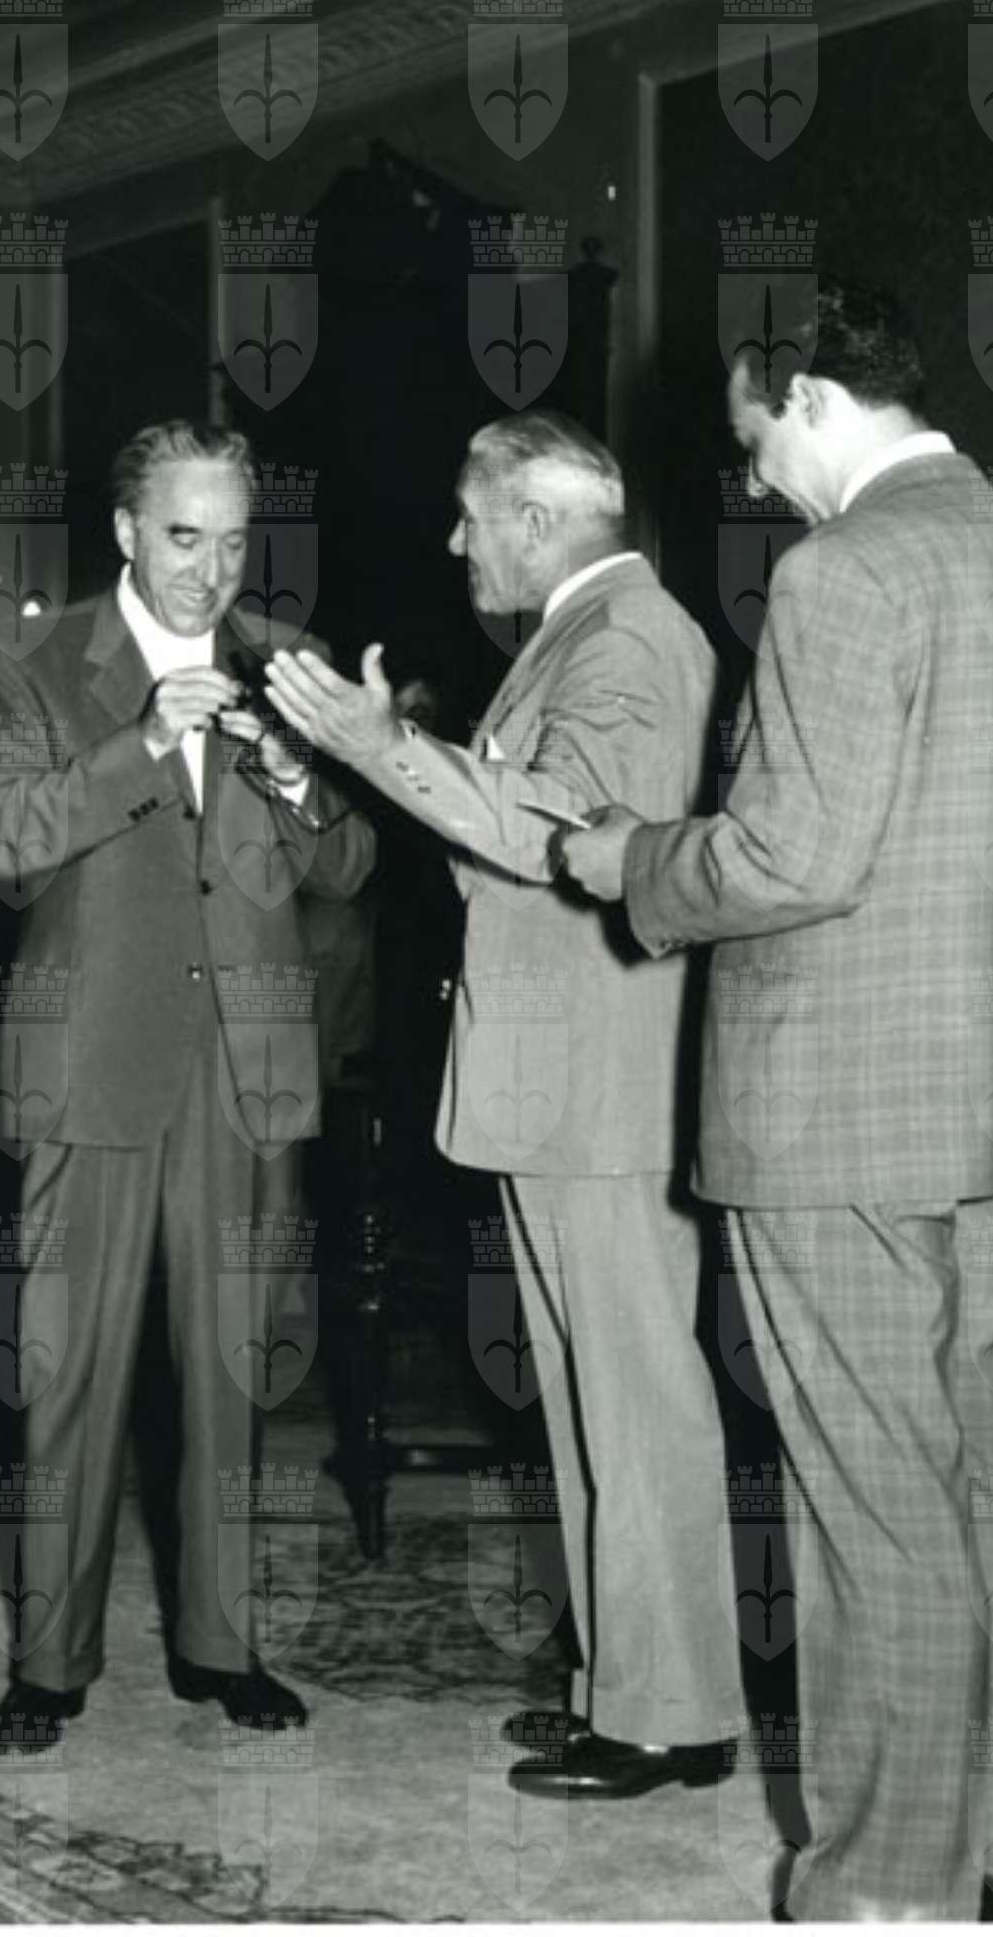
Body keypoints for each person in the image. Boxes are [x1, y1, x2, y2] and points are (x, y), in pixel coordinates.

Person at [559, 281, 993, 1918]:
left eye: (755, 436)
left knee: (871, 1513)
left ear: (814, 399)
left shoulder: (841, 569)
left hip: (829, 1111)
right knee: (983, 1484)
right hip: (972, 1096)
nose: (757, 474)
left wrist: (630, 859)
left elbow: (791, 855)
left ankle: (880, 1885)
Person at [264, 412, 746, 1798]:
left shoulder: (628, 638)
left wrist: (383, 749)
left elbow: (563, 833)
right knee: (593, 1400)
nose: (456, 540)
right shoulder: (583, 635)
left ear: (536, 521)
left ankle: (671, 1712)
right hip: (568, 1078)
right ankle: (625, 1686)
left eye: (473, 518)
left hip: (604, 1081)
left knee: (635, 1400)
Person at [0, 420, 376, 1745]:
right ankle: (49, 1665)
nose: (211, 572)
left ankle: (221, 1644)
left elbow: (350, 864)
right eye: (185, 539)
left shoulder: (289, 660)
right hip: (91, 1065)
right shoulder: (30, 664)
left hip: (246, 1070)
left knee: (232, 1375)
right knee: (66, 1377)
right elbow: (5, 846)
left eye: (234, 542)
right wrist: (142, 744)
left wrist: (302, 779)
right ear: (127, 533)